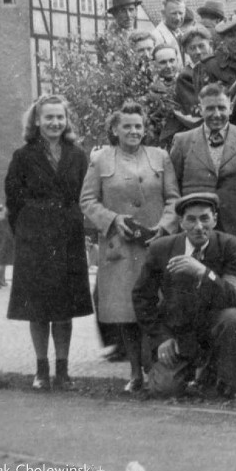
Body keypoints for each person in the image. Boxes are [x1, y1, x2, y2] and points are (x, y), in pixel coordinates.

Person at [80, 102, 180, 392]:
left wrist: (164, 228)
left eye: (138, 125)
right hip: (120, 248)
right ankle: (135, 373)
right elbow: (87, 201)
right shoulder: (100, 160)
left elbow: (174, 198)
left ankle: (159, 370)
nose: (134, 131)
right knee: (126, 312)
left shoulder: (160, 157)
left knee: (157, 306)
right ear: (115, 129)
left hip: (156, 247)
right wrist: (112, 220)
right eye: (127, 126)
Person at [5, 94, 93, 390]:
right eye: (48, 117)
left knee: (65, 307)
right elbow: (13, 201)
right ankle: (41, 370)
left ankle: (63, 370)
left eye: (60, 117)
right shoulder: (23, 156)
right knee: (38, 307)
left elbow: (86, 195)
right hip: (35, 238)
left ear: (66, 121)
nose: (55, 123)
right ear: (37, 121)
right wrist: (28, 231)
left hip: (68, 236)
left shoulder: (78, 154)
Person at [132, 192, 236, 400]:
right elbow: (142, 297)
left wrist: (203, 273)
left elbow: (232, 297)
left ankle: (224, 378)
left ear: (215, 218)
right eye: (191, 219)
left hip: (213, 334)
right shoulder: (161, 248)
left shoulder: (230, 246)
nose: (198, 226)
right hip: (176, 335)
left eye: (204, 218)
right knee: (164, 389)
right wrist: (161, 338)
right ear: (181, 222)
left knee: (232, 318)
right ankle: (190, 374)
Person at [170, 84, 236, 244]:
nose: (216, 114)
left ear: (230, 108)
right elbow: (173, 188)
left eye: (221, 108)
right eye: (210, 108)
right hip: (196, 229)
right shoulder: (183, 141)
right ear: (199, 109)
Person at [150, 0, 186, 66]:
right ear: (163, 13)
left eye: (181, 13)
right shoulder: (155, 37)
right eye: (173, 13)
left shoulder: (183, 35)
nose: (178, 18)